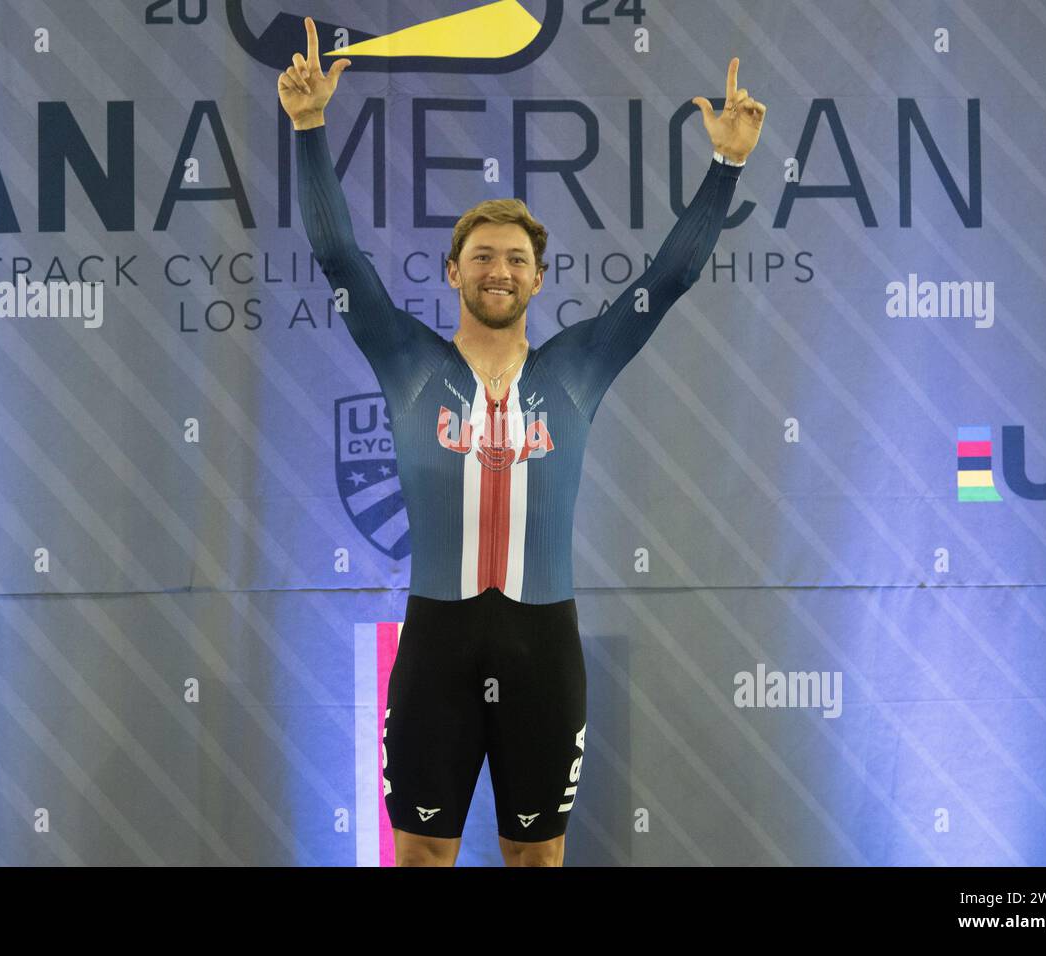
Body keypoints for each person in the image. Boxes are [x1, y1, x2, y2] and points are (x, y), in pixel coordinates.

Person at [278, 17, 765, 866]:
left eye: (513, 259)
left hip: (545, 646)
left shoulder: (578, 366)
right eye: (480, 257)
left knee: (536, 861)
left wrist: (726, 165)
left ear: (538, 279)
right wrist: (311, 127)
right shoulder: (405, 361)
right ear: (452, 272)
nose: (497, 270)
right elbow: (335, 252)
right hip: (436, 643)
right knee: (423, 857)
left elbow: (672, 276)